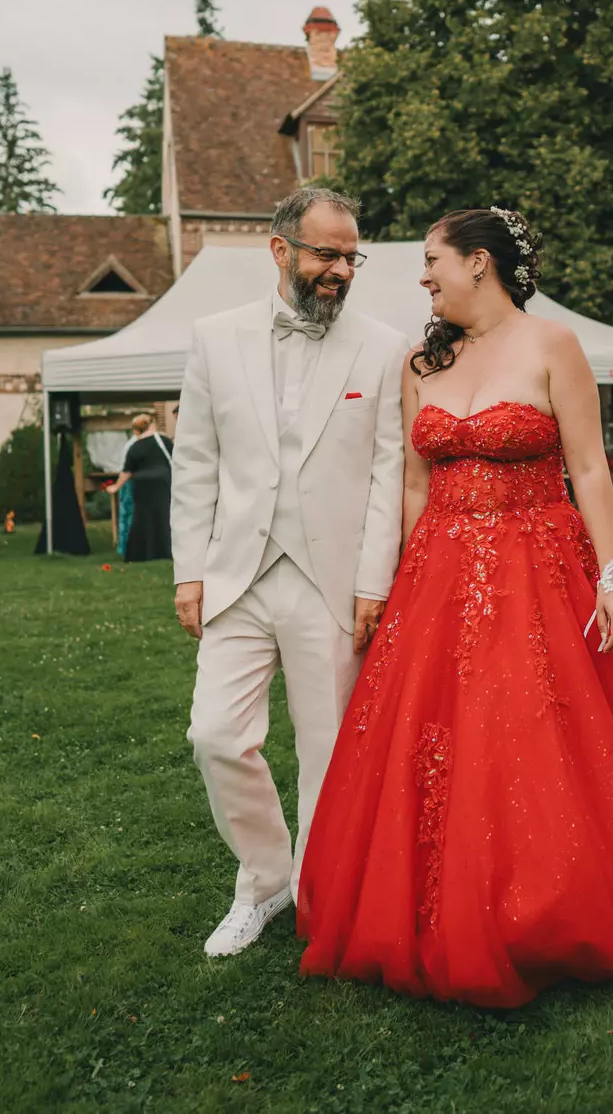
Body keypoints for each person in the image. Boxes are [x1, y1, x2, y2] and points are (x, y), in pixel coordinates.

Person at [298, 207, 613, 1008]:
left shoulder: (553, 345)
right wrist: (403, 588)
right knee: (432, 738)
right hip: (437, 573)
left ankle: (553, 900)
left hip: (539, 564)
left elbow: (590, 469)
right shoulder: (422, 361)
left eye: (432, 260)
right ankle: (431, 901)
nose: (422, 277)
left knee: (536, 730)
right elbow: (415, 483)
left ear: (479, 263)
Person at [169, 186, 408, 958]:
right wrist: (189, 570)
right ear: (281, 250)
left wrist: (374, 582)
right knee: (214, 735)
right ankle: (264, 878)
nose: (341, 269)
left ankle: (319, 889)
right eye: (326, 254)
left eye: (351, 256)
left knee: (328, 750)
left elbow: (387, 474)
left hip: (332, 582)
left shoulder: (384, 347)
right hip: (237, 574)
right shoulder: (213, 337)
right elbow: (197, 462)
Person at [105, 413, 172, 562]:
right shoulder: (164, 441)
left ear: (136, 430)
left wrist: (115, 487)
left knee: (142, 518)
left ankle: (142, 553)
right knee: (165, 516)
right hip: (163, 482)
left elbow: (127, 471)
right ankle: (165, 550)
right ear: (151, 425)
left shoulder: (135, 446)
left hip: (143, 485)